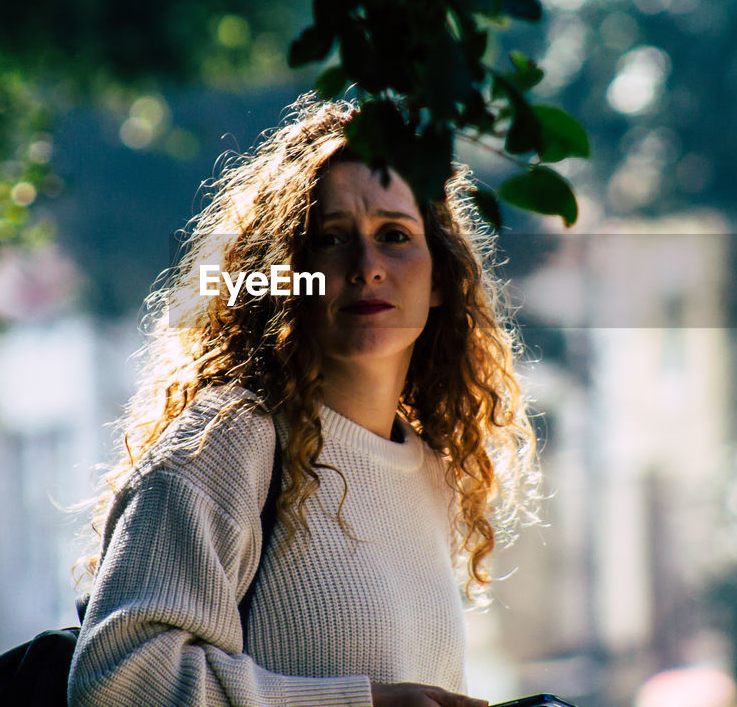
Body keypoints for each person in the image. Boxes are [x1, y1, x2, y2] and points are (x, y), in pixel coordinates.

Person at [68, 97, 540, 707]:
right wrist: (364, 704)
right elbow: (117, 681)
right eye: (331, 240)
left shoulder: (431, 474)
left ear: (443, 276)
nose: (367, 266)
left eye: (394, 236)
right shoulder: (227, 441)